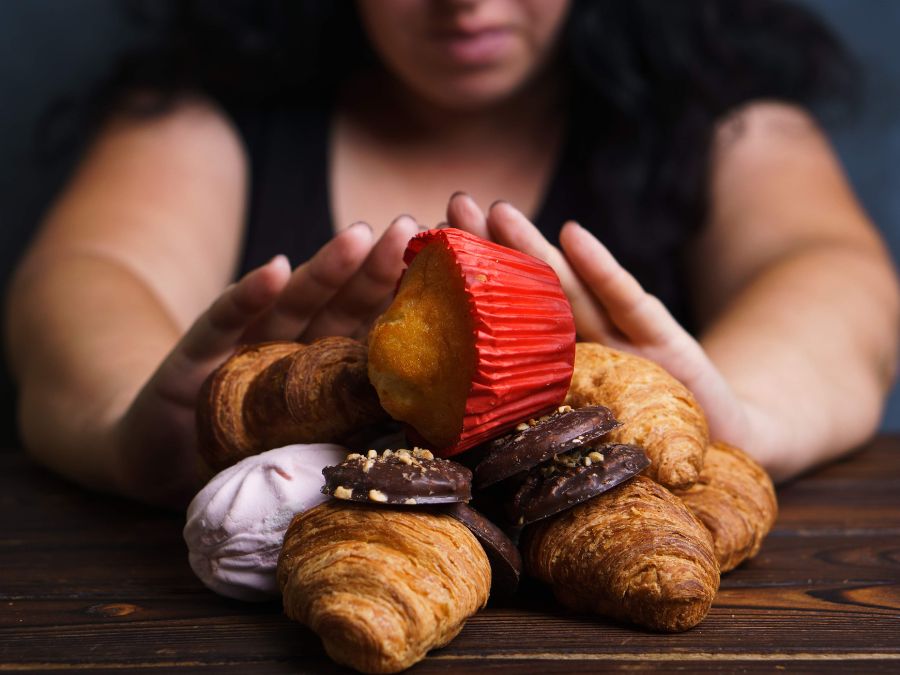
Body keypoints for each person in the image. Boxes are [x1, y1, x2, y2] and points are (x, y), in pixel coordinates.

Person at [5, 0, 898, 508]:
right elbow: (85, 276)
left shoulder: (729, 123)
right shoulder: (204, 121)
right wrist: (129, 423)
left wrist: (735, 411)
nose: (465, 2)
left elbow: (833, 275)